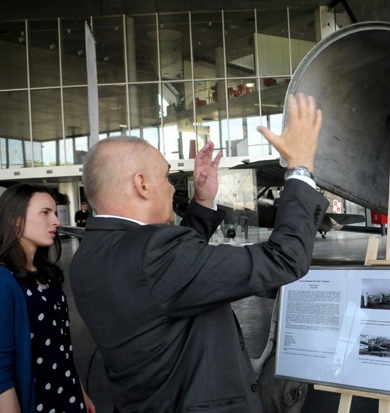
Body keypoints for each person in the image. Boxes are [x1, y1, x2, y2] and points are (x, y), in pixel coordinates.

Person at [70, 93, 328, 412]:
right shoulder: (153, 256)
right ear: (142, 184)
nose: (170, 187)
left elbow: (166, 282)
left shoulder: (90, 256)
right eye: (165, 177)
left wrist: (203, 202)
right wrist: (300, 170)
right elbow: (284, 259)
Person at [0, 183, 95, 413]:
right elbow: (2, 369)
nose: (56, 221)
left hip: (67, 395)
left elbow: (61, 346)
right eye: (45, 213)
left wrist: (79, 392)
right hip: (38, 401)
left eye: (54, 212)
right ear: (14, 218)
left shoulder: (47, 277)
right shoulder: (4, 282)